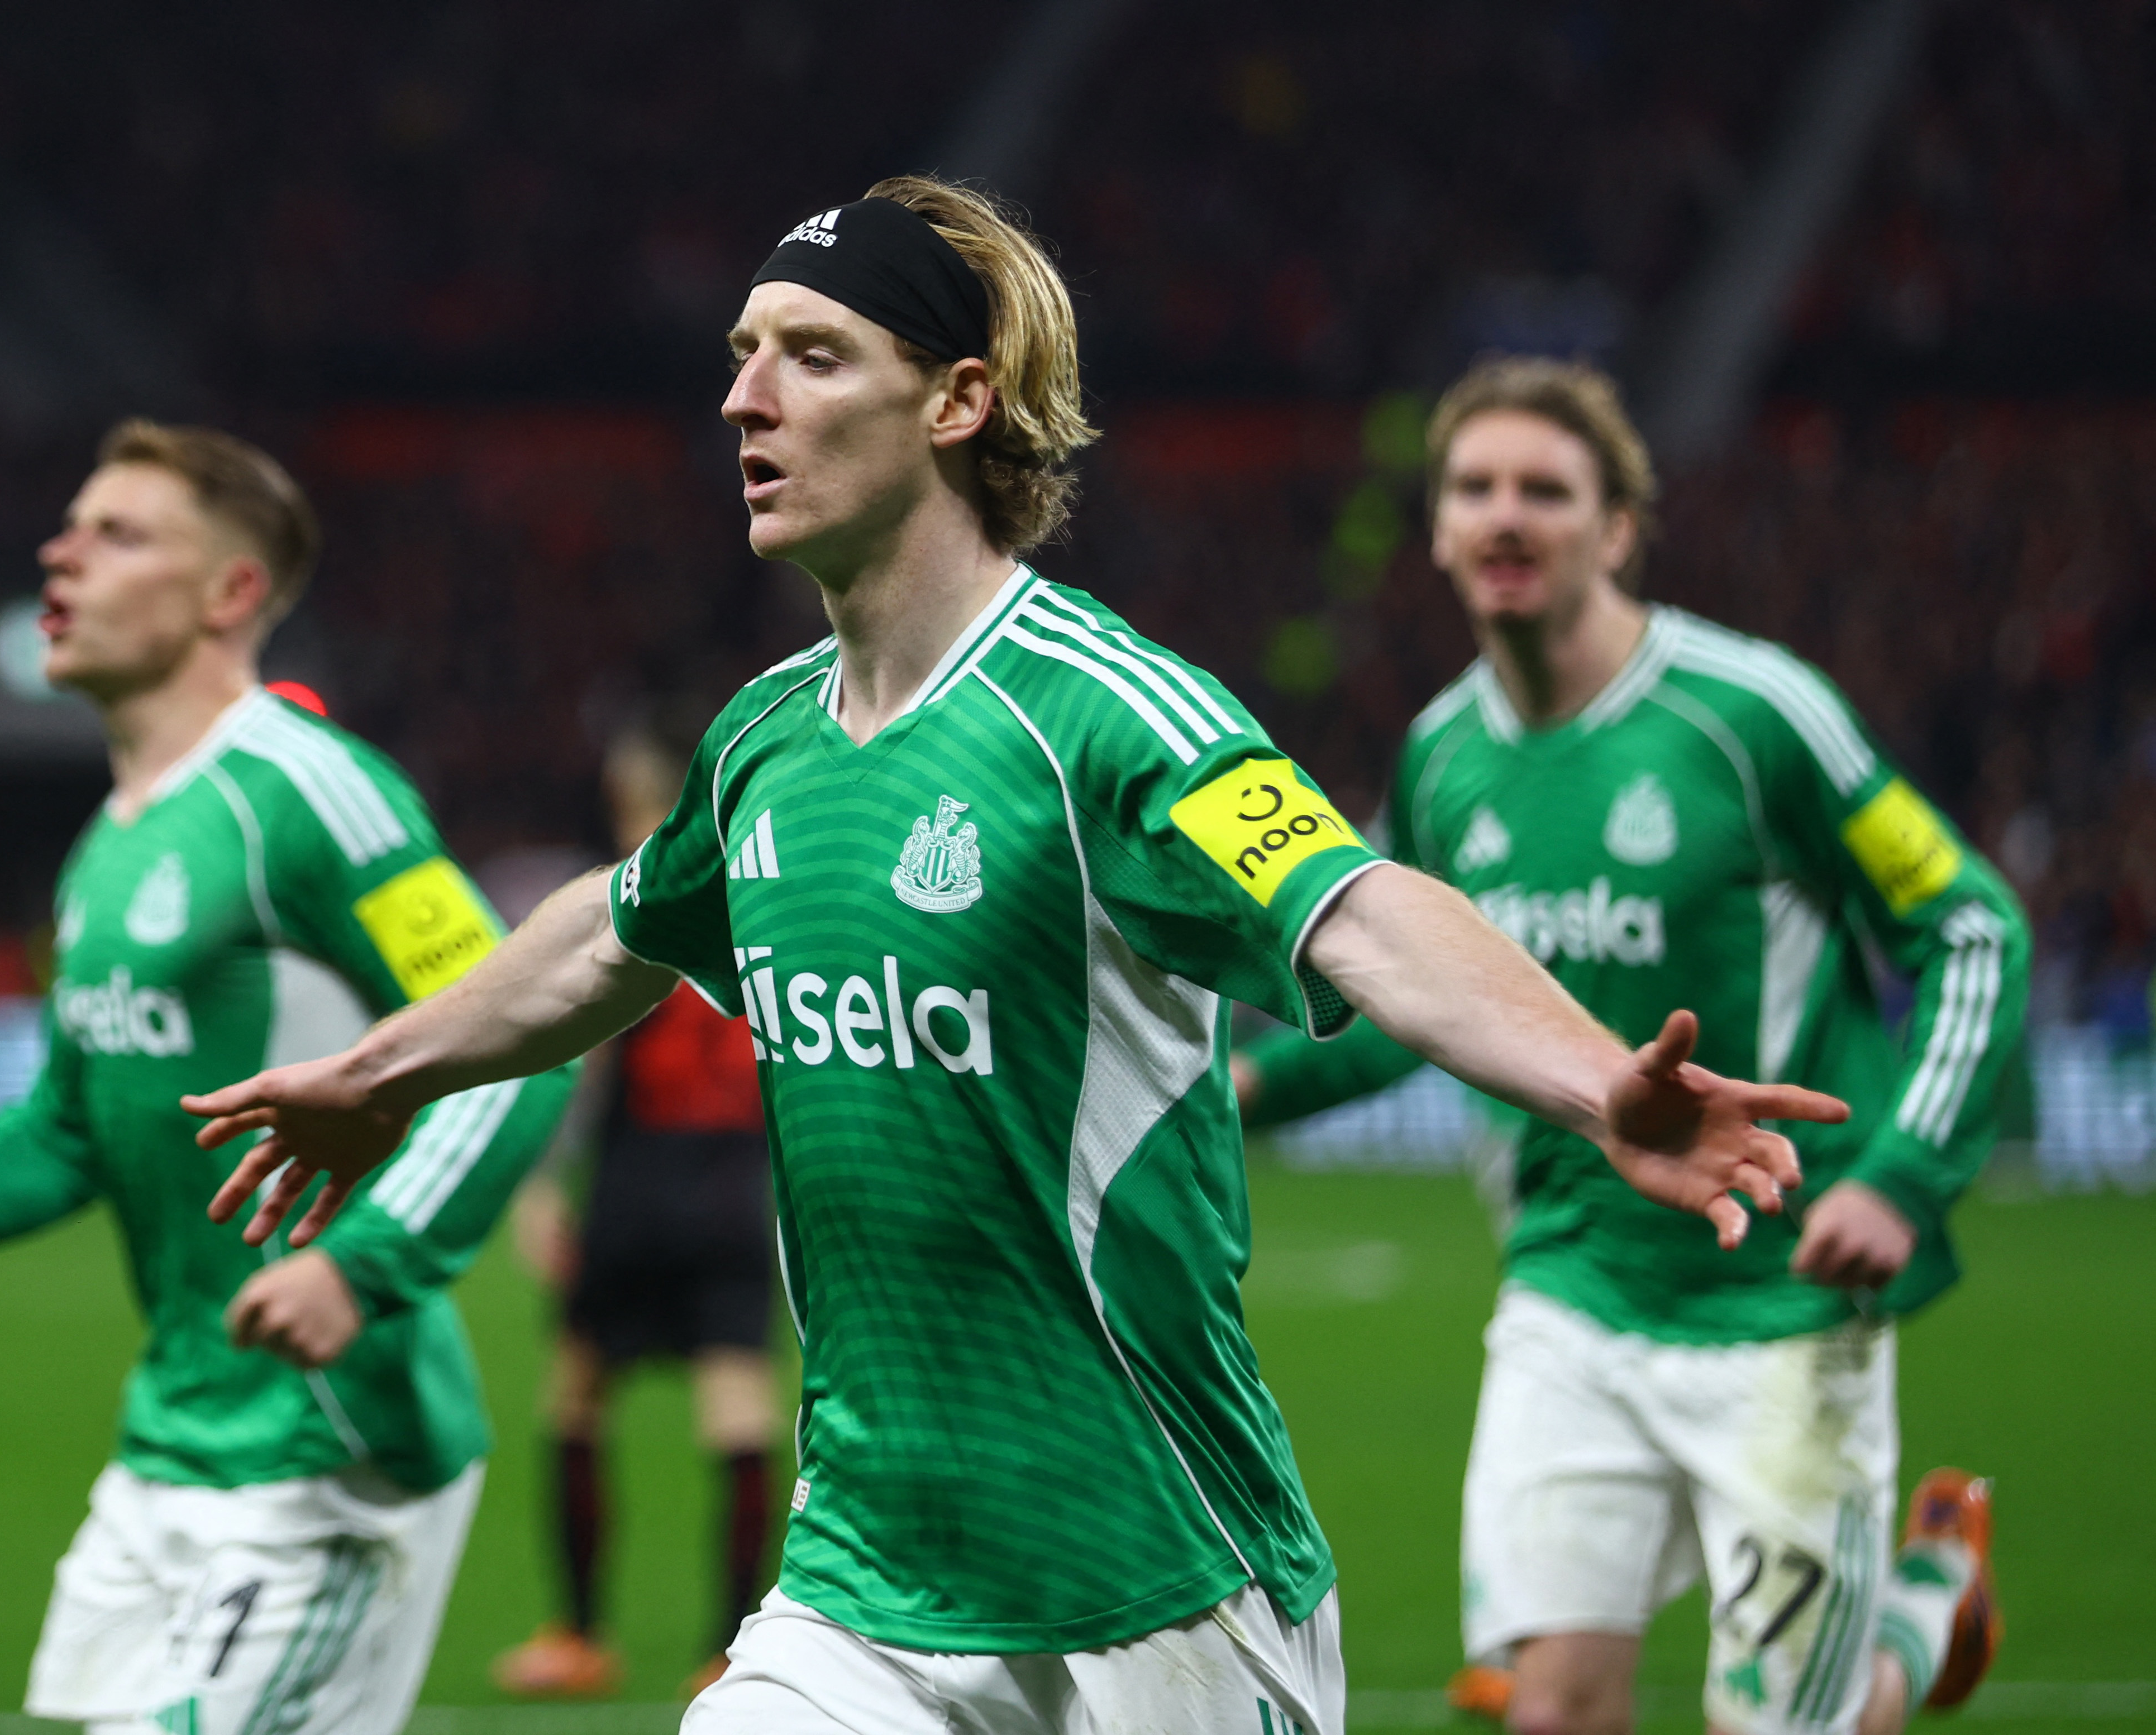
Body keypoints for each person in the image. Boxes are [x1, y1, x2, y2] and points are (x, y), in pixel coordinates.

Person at [182, 180, 1838, 1735]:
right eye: (742, 354)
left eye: (812, 355)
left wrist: (1593, 1083)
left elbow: (1354, 905)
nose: (744, 399)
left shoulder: (1099, 710)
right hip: (863, 1582)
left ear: (959, 401)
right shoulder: (759, 743)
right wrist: (378, 1071)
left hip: (1160, 1585)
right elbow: (609, 935)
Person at [0, 420, 575, 1735]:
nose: (61, 555)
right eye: (69, 529)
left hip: (323, 1440)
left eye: (118, 535)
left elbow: (521, 1045)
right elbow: (63, 1137)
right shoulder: (106, 849)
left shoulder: (303, 792)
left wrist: (361, 1266)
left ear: (231, 591)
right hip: (170, 1447)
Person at [1233, 357, 2021, 1735]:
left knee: (1786, 1724)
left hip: (1777, 1296)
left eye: (1545, 490)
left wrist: (1900, 1180)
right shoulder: (1439, 757)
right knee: (1548, 1714)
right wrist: (1236, 1088)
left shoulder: (1753, 715)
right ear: (1436, 531)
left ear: (1615, 531)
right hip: (1569, 1295)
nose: (1504, 514)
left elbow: (1969, 925)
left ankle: (1918, 1609)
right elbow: (1411, 1000)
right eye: (1473, 488)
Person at [494, 723, 778, 1701]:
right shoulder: (765, 894)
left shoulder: (639, 896)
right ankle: (731, 1651)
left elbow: (583, 1053)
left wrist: (544, 1185)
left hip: (637, 1182)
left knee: (578, 1397)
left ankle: (579, 1636)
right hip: (737, 1184)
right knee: (738, 1409)